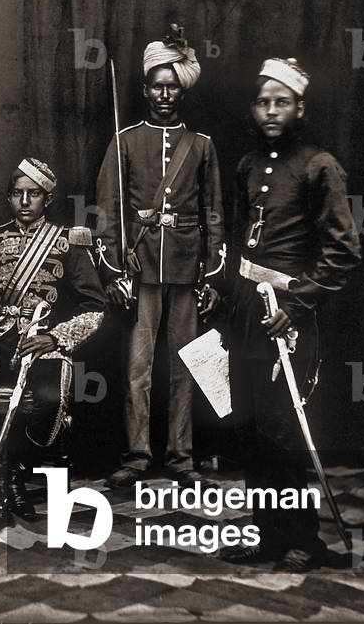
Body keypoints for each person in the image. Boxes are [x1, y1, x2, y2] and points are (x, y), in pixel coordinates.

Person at [218, 57, 361, 571]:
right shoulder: (247, 166)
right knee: (249, 428)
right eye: (262, 101)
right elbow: (241, 243)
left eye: (282, 101)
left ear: (300, 106)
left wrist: (298, 307)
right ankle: (269, 537)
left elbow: (343, 250)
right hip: (246, 315)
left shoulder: (319, 166)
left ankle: (305, 539)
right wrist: (227, 295)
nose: (271, 110)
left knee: (284, 431)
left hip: (289, 317)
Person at [0, 158, 106, 538]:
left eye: (34, 194)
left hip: (43, 345)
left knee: (45, 401)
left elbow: (95, 306)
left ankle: (11, 470)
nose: (25, 201)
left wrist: (56, 338)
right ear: (9, 197)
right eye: (18, 194)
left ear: (47, 200)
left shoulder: (69, 241)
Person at [95, 30, 225, 488]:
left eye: (173, 85)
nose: (165, 94)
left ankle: (181, 457)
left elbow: (214, 213)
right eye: (157, 85)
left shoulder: (202, 145)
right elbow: (107, 211)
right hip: (141, 268)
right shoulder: (125, 141)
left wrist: (211, 273)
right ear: (145, 89)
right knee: (138, 370)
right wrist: (114, 271)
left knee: (188, 364)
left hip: (188, 269)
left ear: (182, 88)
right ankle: (135, 455)